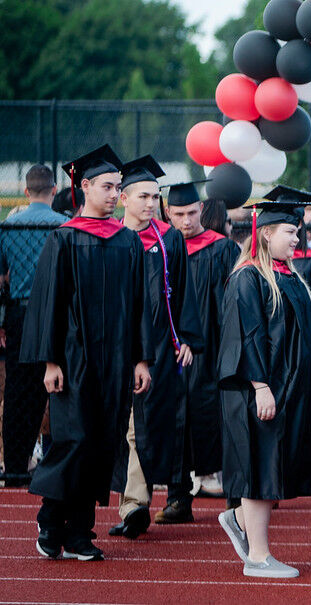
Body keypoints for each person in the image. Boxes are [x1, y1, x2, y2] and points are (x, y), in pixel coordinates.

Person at [23, 145, 150, 561]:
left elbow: (138, 304)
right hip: (74, 359)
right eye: (107, 187)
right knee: (74, 438)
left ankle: (79, 533)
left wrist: (140, 358)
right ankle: (49, 517)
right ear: (85, 187)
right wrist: (51, 361)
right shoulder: (64, 239)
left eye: (118, 187)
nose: (115, 194)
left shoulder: (128, 242)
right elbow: (49, 304)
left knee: (100, 441)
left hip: (115, 360)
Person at [216, 187, 311, 578]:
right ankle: (257, 556)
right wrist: (260, 385)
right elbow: (246, 336)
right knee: (260, 468)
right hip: (259, 391)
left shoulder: (287, 276)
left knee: (272, 466)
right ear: (265, 234)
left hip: (283, 390)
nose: (298, 238)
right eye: (290, 232)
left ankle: (240, 521)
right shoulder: (249, 277)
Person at [109, 156, 197, 539]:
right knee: (125, 426)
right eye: (143, 196)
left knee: (142, 425)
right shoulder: (108, 238)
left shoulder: (169, 239)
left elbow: (183, 290)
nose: (150, 204)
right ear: (123, 198)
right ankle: (132, 503)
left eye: (154, 197)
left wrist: (187, 337)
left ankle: (134, 504)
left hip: (161, 345)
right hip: (116, 346)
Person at [164, 180, 238, 514]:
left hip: (216, 350)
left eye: (193, 213)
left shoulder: (222, 249)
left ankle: (237, 496)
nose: (187, 221)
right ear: (169, 213)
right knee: (177, 421)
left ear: (201, 211)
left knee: (224, 419)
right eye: (179, 214)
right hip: (175, 353)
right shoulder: (162, 249)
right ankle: (178, 496)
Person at [0, 165, 66, 485]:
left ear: (26, 192)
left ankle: (15, 464)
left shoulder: (9, 225)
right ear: (53, 190)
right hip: (56, 313)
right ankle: (56, 463)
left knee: (17, 390)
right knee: (58, 388)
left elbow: (2, 278)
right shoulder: (64, 226)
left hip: (19, 313)